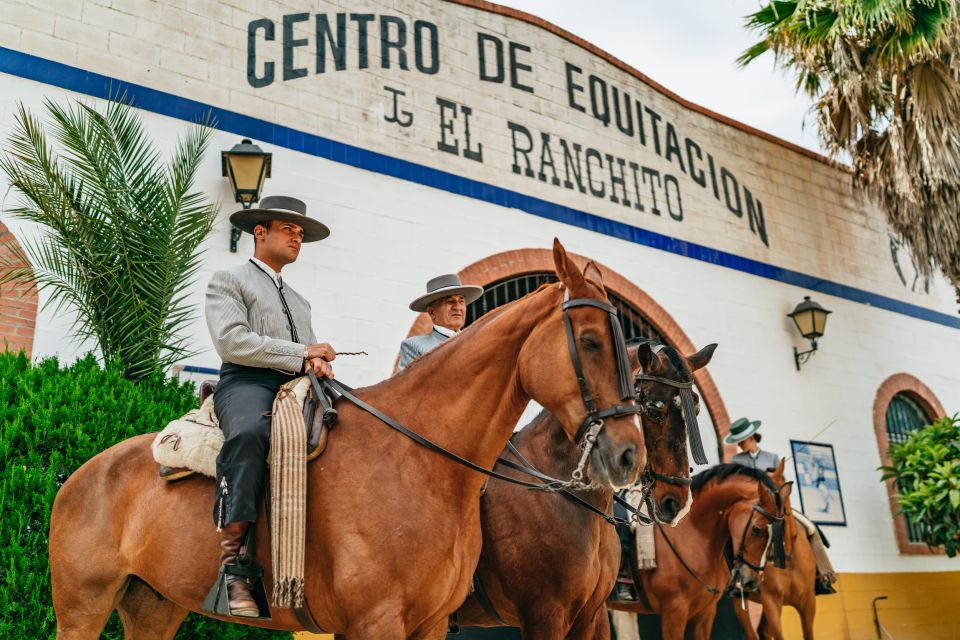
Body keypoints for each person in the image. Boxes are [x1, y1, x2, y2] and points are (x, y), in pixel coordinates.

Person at [205, 195, 336, 617]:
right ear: (259, 232)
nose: (297, 238)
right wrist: (304, 351)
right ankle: (233, 566)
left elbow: (305, 352)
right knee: (248, 434)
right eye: (288, 230)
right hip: (246, 381)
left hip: (301, 384)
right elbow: (232, 341)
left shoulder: (301, 300)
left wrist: (315, 361)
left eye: (301, 234)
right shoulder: (228, 279)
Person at [726, 417, 837, 595]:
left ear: (752, 437)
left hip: (775, 506)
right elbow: (736, 486)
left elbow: (782, 485)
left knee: (811, 528)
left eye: (742, 440)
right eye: (738, 441)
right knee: (731, 537)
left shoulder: (772, 458)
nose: (740, 444)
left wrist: (774, 478)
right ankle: (736, 580)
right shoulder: (736, 461)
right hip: (750, 510)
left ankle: (822, 576)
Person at [397, 274, 483, 369]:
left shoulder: (476, 342)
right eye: (450, 301)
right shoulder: (414, 346)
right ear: (432, 312)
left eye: (461, 301)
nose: (457, 307)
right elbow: (409, 384)